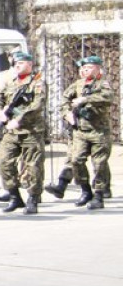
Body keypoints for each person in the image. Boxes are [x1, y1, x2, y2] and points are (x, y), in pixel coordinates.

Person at [45, 55, 112, 210]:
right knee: (76, 160)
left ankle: (99, 195)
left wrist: (85, 100)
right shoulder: (78, 84)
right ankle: (85, 190)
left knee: (99, 164)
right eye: (82, 68)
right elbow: (64, 100)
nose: (84, 70)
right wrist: (66, 113)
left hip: (98, 131)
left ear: (97, 68)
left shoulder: (103, 84)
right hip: (80, 131)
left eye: (88, 67)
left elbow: (108, 97)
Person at [0, 51, 45, 215]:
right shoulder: (10, 83)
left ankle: (33, 198)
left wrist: (19, 119)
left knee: (32, 166)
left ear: (29, 65)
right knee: (3, 161)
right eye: (15, 63)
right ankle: (15, 196)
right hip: (11, 131)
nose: (17, 65)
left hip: (30, 130)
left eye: (21, 63)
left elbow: (37, 105)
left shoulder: (37, 83)